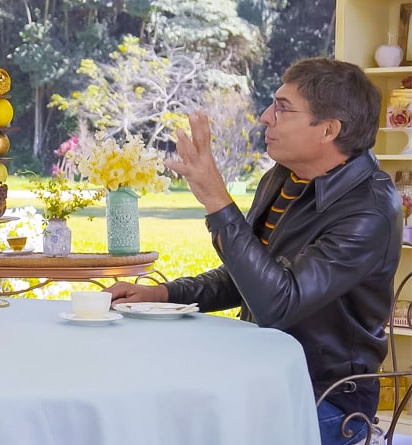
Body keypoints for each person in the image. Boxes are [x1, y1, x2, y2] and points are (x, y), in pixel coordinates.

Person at [107, 57, 402, 445]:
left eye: (283, 108)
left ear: (329, 129)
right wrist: (163, 294)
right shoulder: (283, 177)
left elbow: (279, 301)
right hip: (259, 374)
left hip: (323, 400)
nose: (265, 117)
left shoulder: (370, 209)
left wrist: (216, 198)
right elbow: (252, 276)